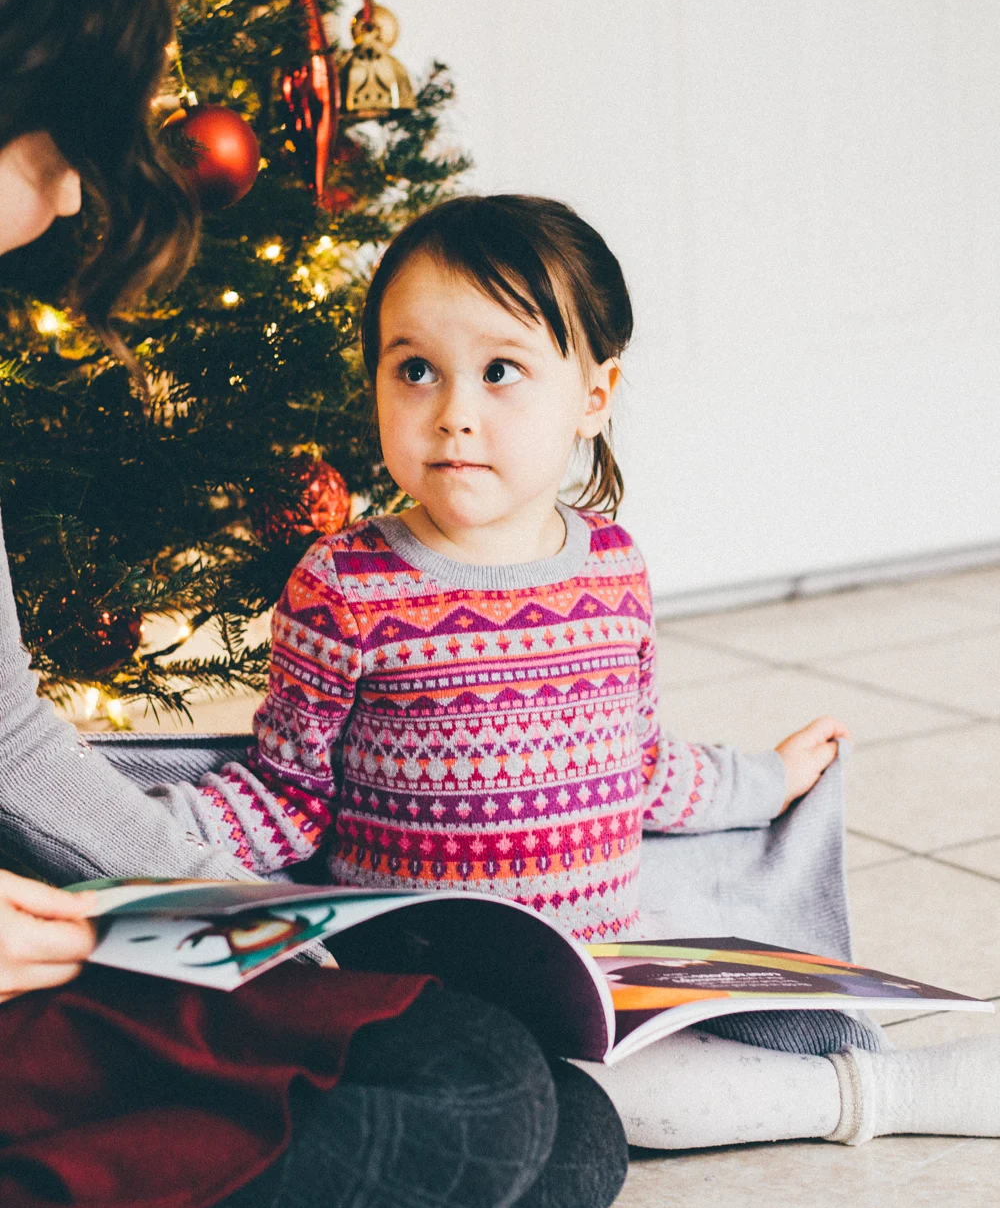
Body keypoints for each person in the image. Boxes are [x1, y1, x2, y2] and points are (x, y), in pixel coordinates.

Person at [0, 0, 628, 1208]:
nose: (78, 201)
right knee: (471, 1103)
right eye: (61, 142)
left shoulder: (608, 568)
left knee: (563, 1117)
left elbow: (9, 734)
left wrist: (242, 917)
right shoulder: (349, 588)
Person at [186, 190, 1000, 1155]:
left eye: (500, 372)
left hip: (592, 970)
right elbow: (287, 793)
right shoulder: (343, 585)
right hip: (419, 975)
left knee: (641, 1091)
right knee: (438, 1103)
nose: (453, 415)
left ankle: (877, 1091)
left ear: (593, 396)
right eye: (415, 371)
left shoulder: (613, 567)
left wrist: (768, 778)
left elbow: (640, 764)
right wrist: (129, 840)